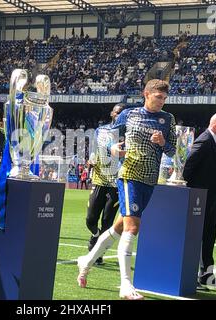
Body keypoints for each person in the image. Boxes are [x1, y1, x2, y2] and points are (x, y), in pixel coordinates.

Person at [77, 80, 176, 300]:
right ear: (146, 94)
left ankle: (86, 262)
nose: (161, 101)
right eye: (158, 97)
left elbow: (173, 151)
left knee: (119, 227)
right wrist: (111, 148)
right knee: (133, 228)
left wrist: (162, 143)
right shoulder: (129, 115)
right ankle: (125, 284)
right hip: (129, 175)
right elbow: (106, 136)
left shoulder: (168, 119)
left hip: (149, 180)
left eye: (164, 98)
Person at [183, 112, 216, 289]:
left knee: (210, 236)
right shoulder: (204, 140)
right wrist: (192, 192)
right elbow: (188, 167)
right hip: (200, 199)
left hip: (211, 199)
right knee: (200, 237)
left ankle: (207, 275)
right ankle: (192, 275)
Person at [84, 103, 125, 265]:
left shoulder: (129, 134)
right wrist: (92, 160)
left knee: (107, 221)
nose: (119, 115)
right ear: (112, 114)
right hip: (99, 179)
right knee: (90, 219)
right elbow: (94, 148)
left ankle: (97, 253)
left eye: (122, 113)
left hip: (116, 183)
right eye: (117, 112)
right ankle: (95, 235)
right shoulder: (101, 130)